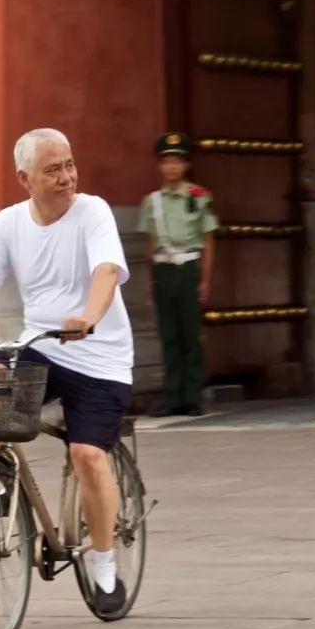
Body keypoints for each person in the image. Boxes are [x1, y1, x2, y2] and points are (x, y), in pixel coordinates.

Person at [0, 127, 133, 614]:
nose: (66, 177)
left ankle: (104, 570)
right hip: (41, 346)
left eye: (69, 165)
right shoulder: (8, 224)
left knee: (86, 454)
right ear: (25, 179)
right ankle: (0, 478)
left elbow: (106, 270)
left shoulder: (94, 212)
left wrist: (89, 315)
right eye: (52, 170)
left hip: (99, 356)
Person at [137, 131, 218, 417]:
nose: (172, 166)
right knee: (169, 335)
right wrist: (151, 279)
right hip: (163, 269)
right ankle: (172, 396)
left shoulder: (197, 197)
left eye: (178, 161)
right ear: (160, 165)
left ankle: (192, 395)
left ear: (186, 165)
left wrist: (205, 279)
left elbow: (208, 240)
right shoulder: (152, 202)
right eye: (167, 161)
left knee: (190, 335)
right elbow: (149, 245)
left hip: (187, 269)